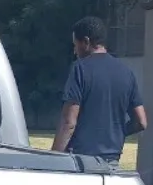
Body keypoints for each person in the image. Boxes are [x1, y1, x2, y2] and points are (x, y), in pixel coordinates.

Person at [51, 16, 147, 162]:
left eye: (75, 45)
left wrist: (53, 158)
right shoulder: (127, 72)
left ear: (87, 42)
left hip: (81, 159)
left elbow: (68, 122)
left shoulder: (80, 69)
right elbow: (141, 122)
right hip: (112, 160)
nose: (75, 51)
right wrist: (117, 133)